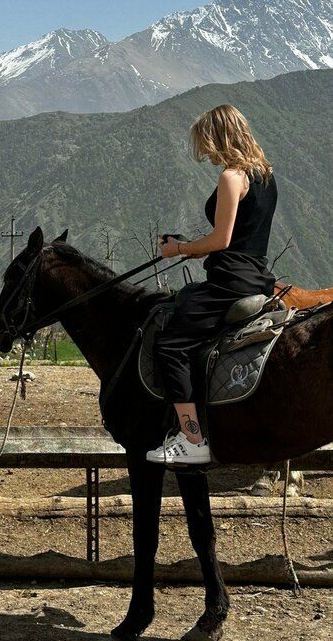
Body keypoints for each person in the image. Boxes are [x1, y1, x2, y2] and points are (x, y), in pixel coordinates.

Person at [146, 103, 277, 466]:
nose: (204, 152)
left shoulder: (231, 177)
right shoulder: (265, 174)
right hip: (256, 275)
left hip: (229, 283)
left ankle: (191, 439)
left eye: (205, 142)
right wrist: (192, 247)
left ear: (219, 137)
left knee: (169, 346)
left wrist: (178, 249)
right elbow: (241, 239)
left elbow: (221, 240)